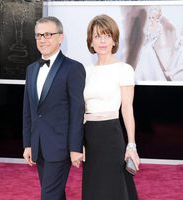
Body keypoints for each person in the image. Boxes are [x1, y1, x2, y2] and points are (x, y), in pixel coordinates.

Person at [22, 16, 85, 200]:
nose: (42, 39)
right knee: (55, 194)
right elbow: (28, 110)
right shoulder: (31, 69)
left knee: (49, 195)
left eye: (48, 34)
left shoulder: (73, 68)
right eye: (39, 35)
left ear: (60, 37)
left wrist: (75, 147)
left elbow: (76, 110)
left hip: (61, 147)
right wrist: (28, 143)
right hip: (38, 145)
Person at [83, 14, 140, 200]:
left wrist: (131, 145)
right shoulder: (85, 71)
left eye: (107, 35)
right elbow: (79, 110)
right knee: (94, 185)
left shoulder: (124, 69)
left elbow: (127, 109)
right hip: (88, 134)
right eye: (97, 36)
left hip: (111, 133)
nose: (102, 41)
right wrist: (78, 142)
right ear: (91, 42)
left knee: (114, 186)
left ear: (114, 40)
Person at [135, 7, 172, 81]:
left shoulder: (159, 27)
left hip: (152, 47)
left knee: (152, 61)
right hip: (147, 47)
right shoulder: (149, 27)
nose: (151, 19)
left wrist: (154, 44)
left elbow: (160, 39)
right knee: (143, 60)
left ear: (157, 18)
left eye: (153, 18)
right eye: (150, 18)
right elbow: (147, 39)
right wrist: (144, 46)